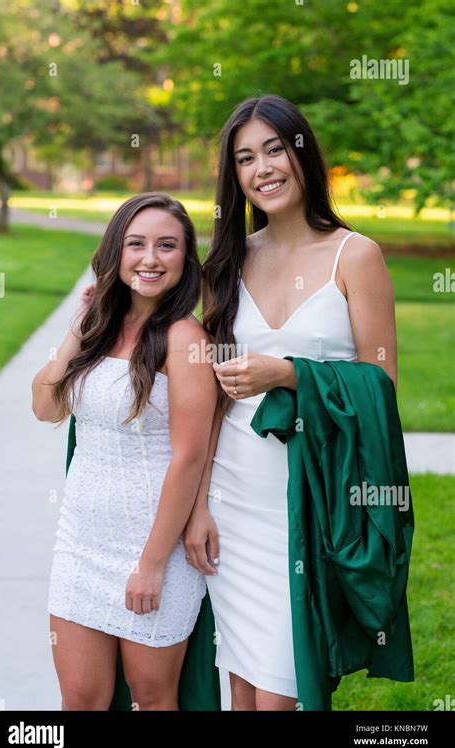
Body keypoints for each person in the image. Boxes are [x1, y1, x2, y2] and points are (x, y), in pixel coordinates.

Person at [184, 94, 397, 711]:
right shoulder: (227, 263)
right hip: (230, 499)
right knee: (243, 690)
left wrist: (289, 373)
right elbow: (209, 405)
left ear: (304, 153)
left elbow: (381, 389)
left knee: (282, 687)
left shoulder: (355, 255)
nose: (263, 168)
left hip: (306, 496)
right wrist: (197, 508)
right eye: (245, 158)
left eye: (275, 149)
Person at [32, 192, 217, 710]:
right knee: (81, 701)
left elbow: (188, 457)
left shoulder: (184, 339)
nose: (150, 259)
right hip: (80, 543)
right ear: (116, 252)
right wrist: (79, 323)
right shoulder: (99, 329)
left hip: (152, 547)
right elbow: (45, 407)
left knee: (154, 699)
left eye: (167, 245)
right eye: (135, 244)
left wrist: (153, 564)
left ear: (186, 258)